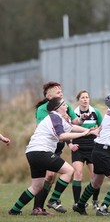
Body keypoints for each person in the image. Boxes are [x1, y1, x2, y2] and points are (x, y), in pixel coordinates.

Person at [8, 97, 96, 215]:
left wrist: (89, 131)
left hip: (32, 153)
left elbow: (72, 128)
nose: (67, 106)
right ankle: (54, 199)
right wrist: (84, 134)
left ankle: (14, 210)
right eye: (64, 104)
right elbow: (62, 136)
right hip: (41, 152)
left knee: (36, 186)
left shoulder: (56, 118)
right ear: (57, 108)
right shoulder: (54, 117)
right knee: (69, 171)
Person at [32, 81, 84, 215]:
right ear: (50, 97)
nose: (61, 93)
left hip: (57, 146)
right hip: (45, 146)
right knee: (49, 175)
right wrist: (65, 122)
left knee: (51, 177)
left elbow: (74, 122)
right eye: (58, 92)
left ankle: (42, 206)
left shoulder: (64, 106)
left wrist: (82, 118)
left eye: (61, 91)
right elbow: (56, 129)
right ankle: (40, 206)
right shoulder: (43, 109)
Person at [71, 90, 103, 209]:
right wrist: (70, 144)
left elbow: (102, 127)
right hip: (78, 145)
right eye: (82, 97)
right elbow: (67, 129)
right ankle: (77, 203)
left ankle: (95, 200)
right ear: (78, 100)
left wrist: (97, 130)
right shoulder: (73, 113)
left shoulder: (96, 112)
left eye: (87, 97)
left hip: (92, 145)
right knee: (78, 173)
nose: (85, 99)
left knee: (95, 175)